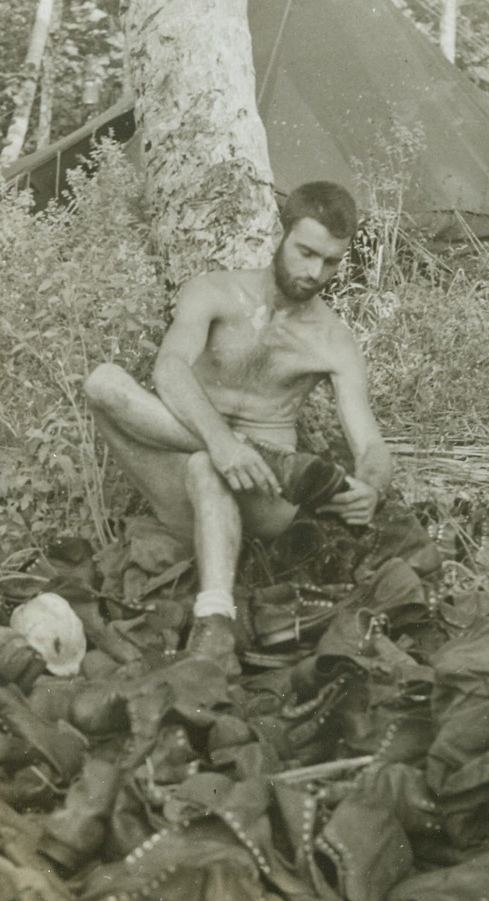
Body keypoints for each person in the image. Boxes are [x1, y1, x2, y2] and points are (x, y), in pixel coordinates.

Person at [84, 181, 392, 672]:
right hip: (181, 477)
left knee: (210, 468)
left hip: (264, 499)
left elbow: (370, 443)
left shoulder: (333, 339)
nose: (315, 273)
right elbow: (170, 370)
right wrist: (226, 443)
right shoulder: (214, 291)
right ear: (281, 231)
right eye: (306, 252)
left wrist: (372, 486)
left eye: (331, 262)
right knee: (104, 383)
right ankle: (256, 459)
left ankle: (214, 627)